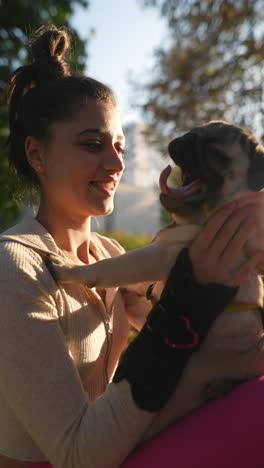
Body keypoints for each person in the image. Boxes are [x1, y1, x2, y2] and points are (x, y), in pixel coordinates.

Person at [0, 25, 263, 468]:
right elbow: (78, 453)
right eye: (92, 144)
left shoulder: (106, 254)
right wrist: (182, 314)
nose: (116, 163)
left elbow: (197, 335)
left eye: (120, 147)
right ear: (37, 154)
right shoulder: (13, 268)